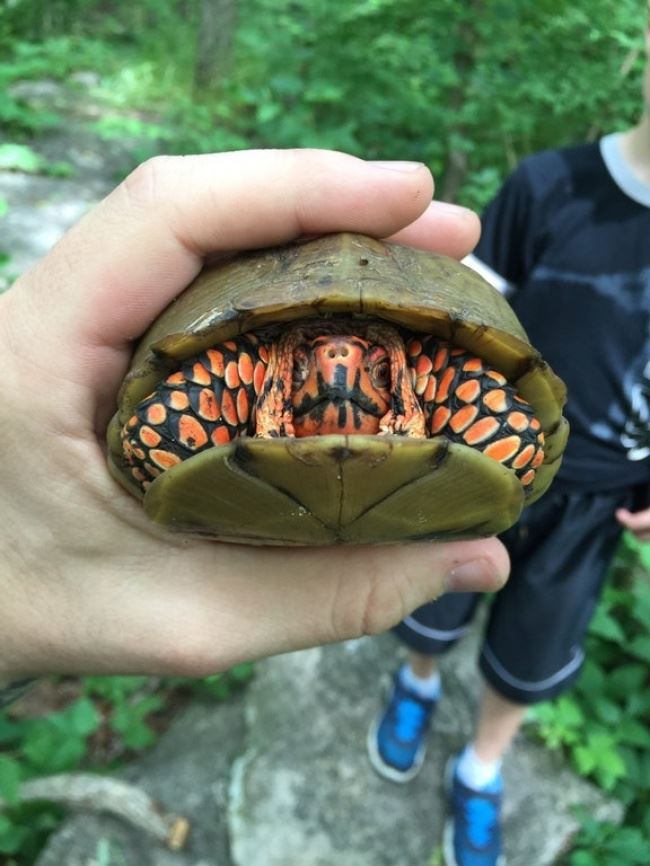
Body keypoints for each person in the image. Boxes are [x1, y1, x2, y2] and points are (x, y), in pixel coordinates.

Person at [0, 149, 511, 710]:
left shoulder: (441, 371)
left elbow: (508, 419)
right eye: (303, 363)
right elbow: (160, 423)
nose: (337, 372)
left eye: (377, 366)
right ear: (278, 368)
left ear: (404, 373)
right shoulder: (233, 376)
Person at [368, 22, 650, 866]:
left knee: (535, 644)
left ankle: (482, 766)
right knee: (434, 598)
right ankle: (415, 683)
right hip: (483, 464)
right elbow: (461, 328)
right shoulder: (551, 186)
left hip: (603, 498)